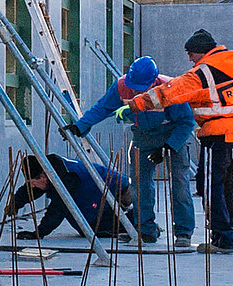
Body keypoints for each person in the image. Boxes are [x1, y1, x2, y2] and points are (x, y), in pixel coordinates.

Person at [131, 28, 233, 255]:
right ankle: (228, 236)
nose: (189, 59)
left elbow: (170, 92)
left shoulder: (202, 73)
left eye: (190, 54)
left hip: (217, 136)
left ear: (200, 53)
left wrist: (138, 103)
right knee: (232, 188)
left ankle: (222, 239)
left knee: (209, 187)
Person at [66, 56, 195, 247]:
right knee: (139, 184)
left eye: (140, 87)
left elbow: (186, 122)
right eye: (133, 86)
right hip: (143, 135)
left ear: (153, 81)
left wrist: (168, 147)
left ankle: (183, 232)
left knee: (179, 183)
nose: (135, 91)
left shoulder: (170, 88)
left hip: (172, 133)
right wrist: (79, 126)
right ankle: (145, 229)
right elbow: (102, 108)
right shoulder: (121, 86)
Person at [6, 153, 134, 240]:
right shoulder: (48, 169)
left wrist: (38, 233)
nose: (32, 187)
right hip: (93, 189)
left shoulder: (65, 178)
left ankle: (136, 223)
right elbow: (31, 190)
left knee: (93, 227)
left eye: (33, 183)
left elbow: (58, 209)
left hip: (114, 189)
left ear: (43, 176)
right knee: (83, 226)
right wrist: (15, 203)